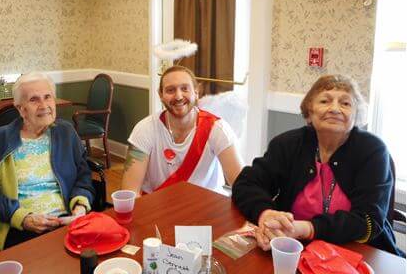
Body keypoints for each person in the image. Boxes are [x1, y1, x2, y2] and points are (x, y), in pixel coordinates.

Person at [233, 75, 401, 256]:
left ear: (356, 115)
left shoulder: (372, 151)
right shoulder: (287, 144)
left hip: (360, 253)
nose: (335, 109)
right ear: (309, 112)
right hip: (293, 248)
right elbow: (246, 183)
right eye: (325, 101)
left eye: (345, 104)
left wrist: (307, 228)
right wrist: (265, 214)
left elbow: (368, 222)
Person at [0, 72, 94, 250]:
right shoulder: (0, 139)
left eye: (48, 97)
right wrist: (22, 218)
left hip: (67, 220)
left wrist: (79, 207)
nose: (44, 105)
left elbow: (83, 175)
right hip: (20, 227)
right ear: (21, 109)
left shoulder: (66, 132)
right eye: (34, 100)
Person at [121, 65, 243, 195]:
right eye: (170, 90)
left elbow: (241, 185)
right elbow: (130, 190)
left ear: (196, 92)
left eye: (185, 89)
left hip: (206, 207)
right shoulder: (144, 130)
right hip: (158, 206)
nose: (178, 96)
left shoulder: (218, 130)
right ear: (160, 95)